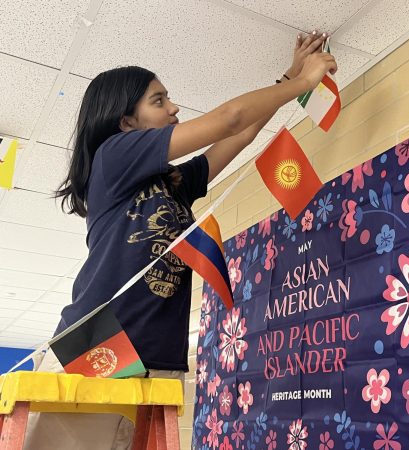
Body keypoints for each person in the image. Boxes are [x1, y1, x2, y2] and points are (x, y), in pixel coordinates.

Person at [23, 31, 337, 450]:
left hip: (157, 354)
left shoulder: (173, 183)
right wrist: (304, 84)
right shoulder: (113, 156)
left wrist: (290, 76)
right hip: (98, 340)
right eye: (159, 101)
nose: (174, 109)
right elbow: (229, 119)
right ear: (126, 123)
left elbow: (239, 136)